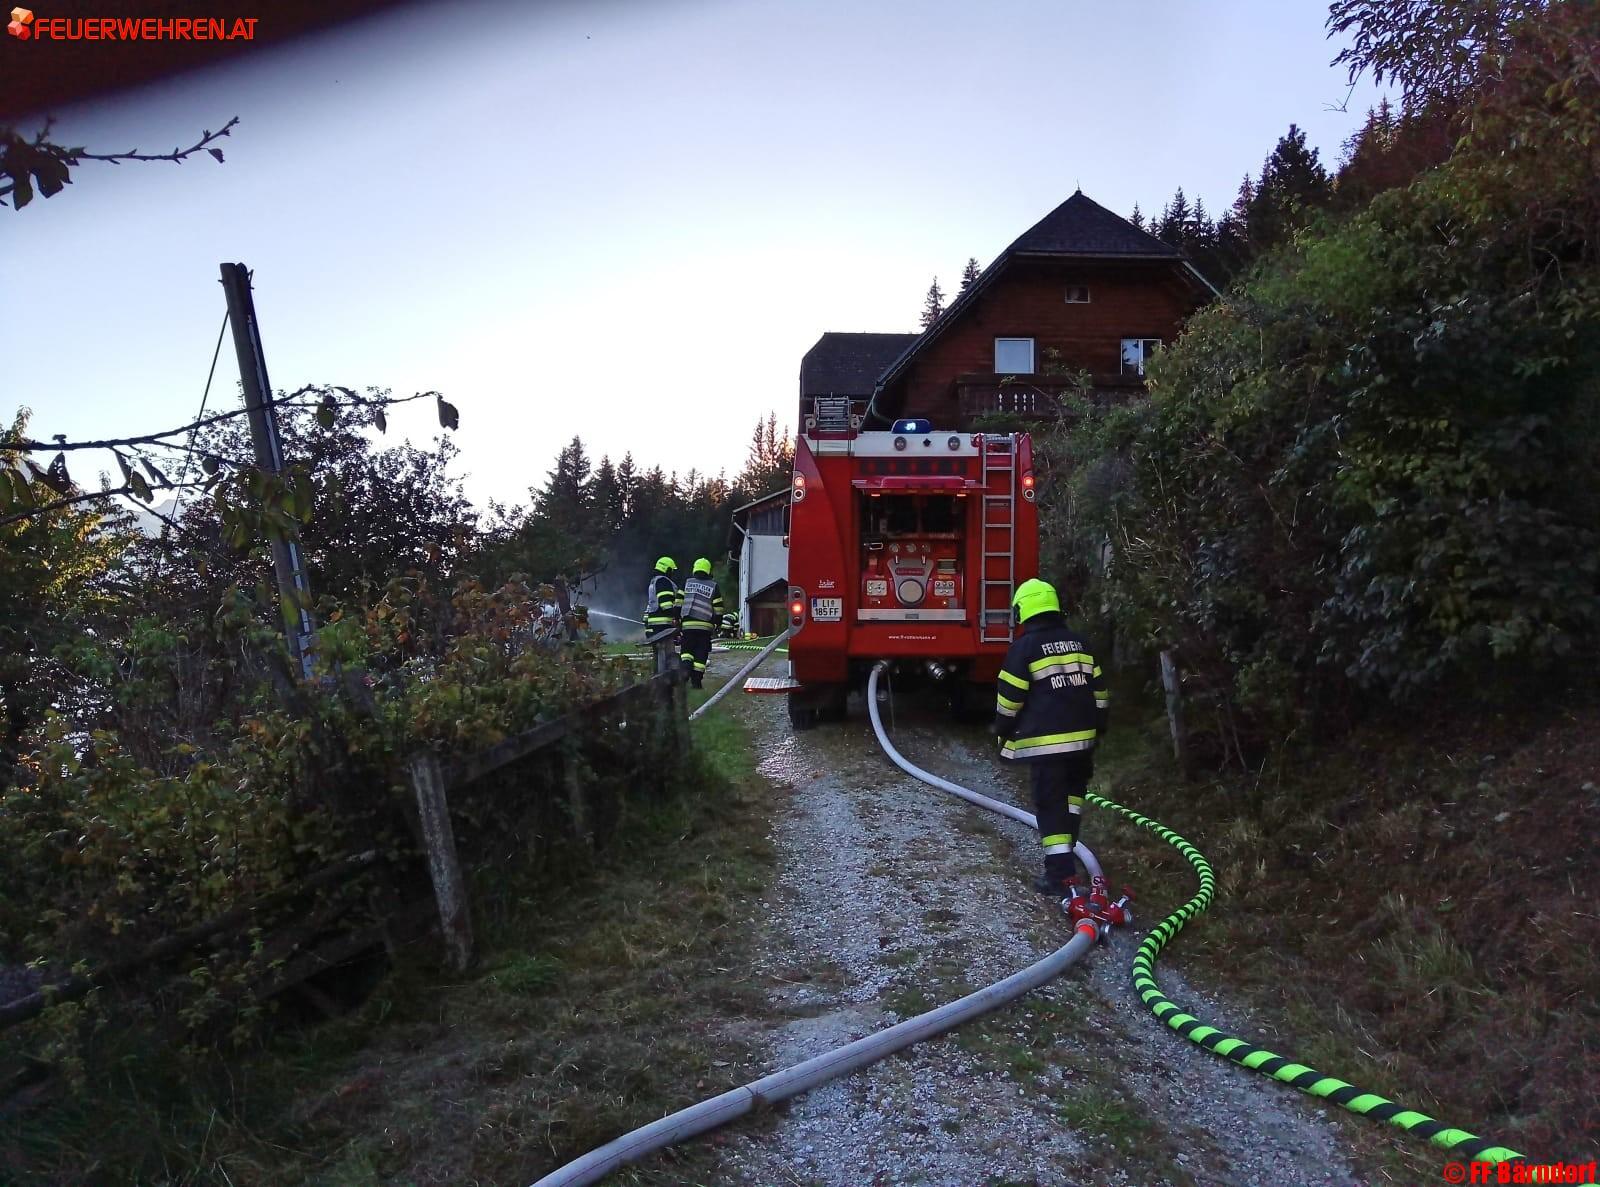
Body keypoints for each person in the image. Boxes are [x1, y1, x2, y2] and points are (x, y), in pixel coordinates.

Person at [993, 577, 1110, 898]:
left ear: (1023, 611)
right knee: (1071, 801)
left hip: (1048, 746)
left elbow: (1009, 698)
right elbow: (1100, 693)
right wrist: (1099, 728)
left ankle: (1059, 876)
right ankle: (1067, 855)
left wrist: (1001, 730)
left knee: (1050, 804)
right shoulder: (1080, 644)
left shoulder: (1024, 648)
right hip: (1083, 744)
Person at [677, 557, 725, 689]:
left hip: (687, 626)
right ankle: (696, 682)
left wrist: (677, 619)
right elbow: (719, 608)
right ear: (708, 571)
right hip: (705, 628)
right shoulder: (713, 586)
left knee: (687, 650)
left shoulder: (687, 583)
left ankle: (685, 669)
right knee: (701, 653)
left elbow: (678, 602)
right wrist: (717, 623)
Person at [644, 556, 681, 640]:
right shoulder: (663, 581)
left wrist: (646, 621)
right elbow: (666, 605)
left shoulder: (654, 581)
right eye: (672, 570)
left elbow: (651, 604)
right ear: (667, 569)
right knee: (668, 652)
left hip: (654, 626)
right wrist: (677, 616)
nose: (672, 573)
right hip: (663, 626)